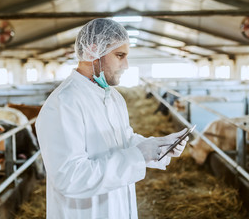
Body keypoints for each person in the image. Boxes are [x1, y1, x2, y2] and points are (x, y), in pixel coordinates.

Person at [35, 18, 189, 219]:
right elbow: (70, 178)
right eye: (119, 55)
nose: (126, 65)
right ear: (93, 51)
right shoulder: (63, 103)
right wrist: (137, 156)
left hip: (119, 209)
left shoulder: (113, 97)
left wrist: (158, 147)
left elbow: (124, 140)